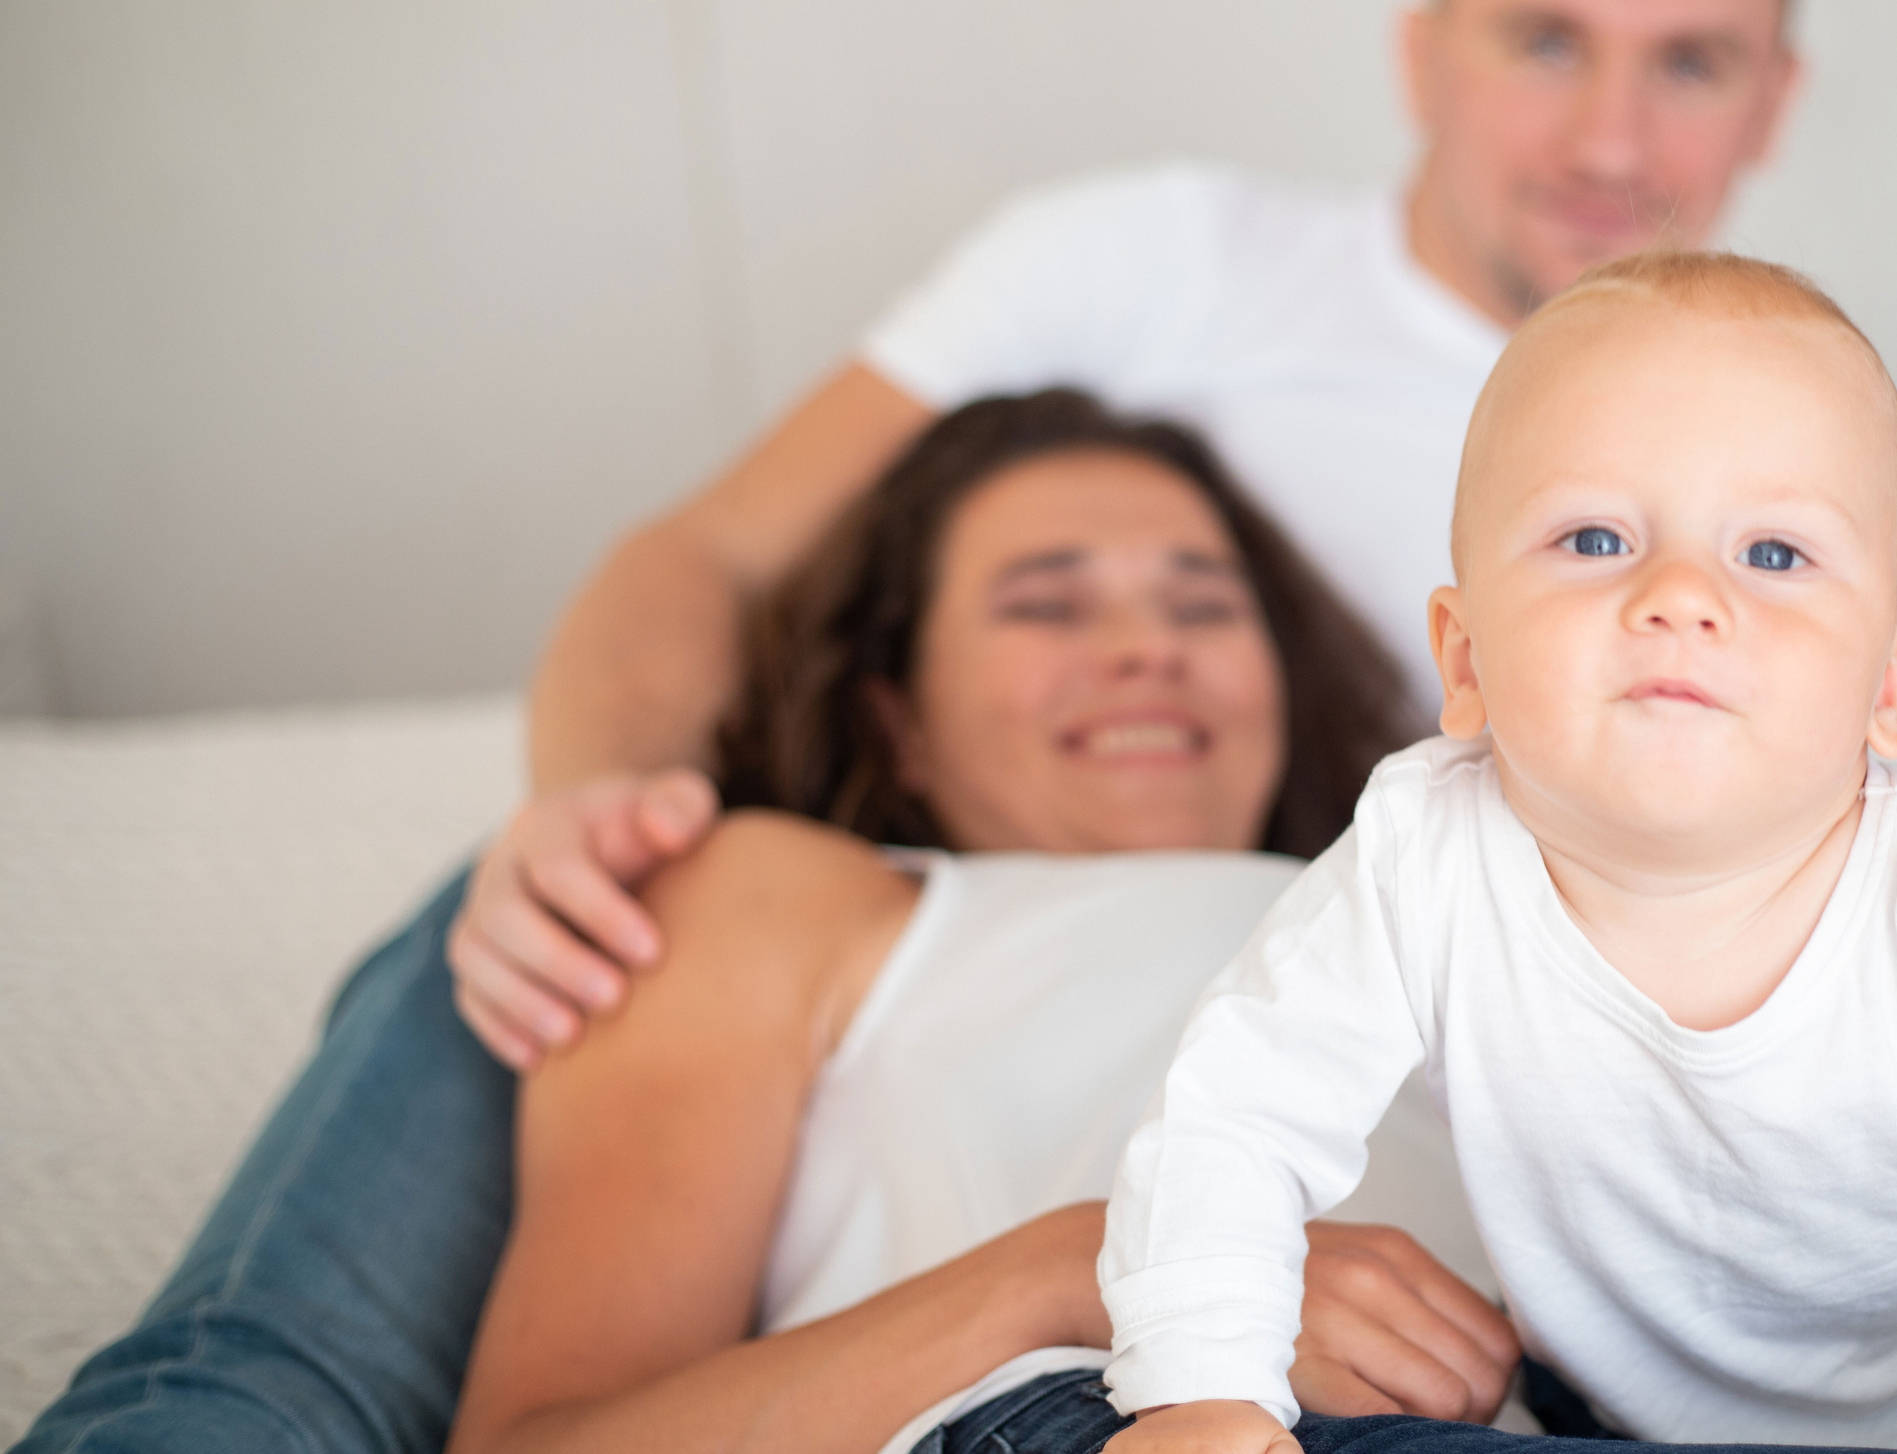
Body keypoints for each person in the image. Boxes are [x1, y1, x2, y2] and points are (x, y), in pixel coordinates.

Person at [444, 0, 1897, 1074]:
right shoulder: (1150, 261)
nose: (1610, 139)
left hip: (1287, 1038)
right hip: (863, 958)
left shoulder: (1794, 428)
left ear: (1775, 97)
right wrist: (601, 807)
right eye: (1545, 43)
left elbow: (1774, 856)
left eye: (1690, 63)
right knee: (575, 910)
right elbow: (706, 556)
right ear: (1421, 57)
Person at [1091, 255, 1897, 1454]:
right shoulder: (1418, 860)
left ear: (1889, 685)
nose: (1680, 595)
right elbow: (1234, 1115)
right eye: (1595, 539)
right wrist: (1203, 1385)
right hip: (1614, 1400)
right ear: (1466, 657)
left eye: (1773, 553)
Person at [18, 394, 1494, 1454]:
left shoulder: (1457, 873)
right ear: (897, 718)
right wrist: (1102, 1266)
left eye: (1203, 607)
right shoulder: (781, 896)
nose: (1143, 652)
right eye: (1045, 607)